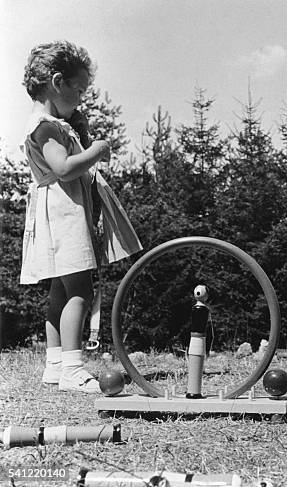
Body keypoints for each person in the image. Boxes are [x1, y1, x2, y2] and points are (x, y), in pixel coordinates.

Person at [20, 40, 142, 392]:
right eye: (79, 89)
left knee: (61, 288)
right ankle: (73, 367)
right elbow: (63, 168)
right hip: (62, 212)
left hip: (55, 211)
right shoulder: (46, 127)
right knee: (80, 290)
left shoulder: (51, 123)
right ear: (57, 82)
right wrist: (95, 151)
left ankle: (55, 365)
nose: (81, 98)